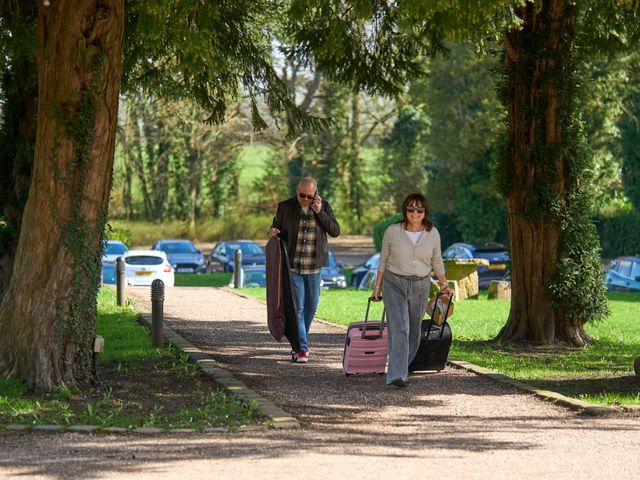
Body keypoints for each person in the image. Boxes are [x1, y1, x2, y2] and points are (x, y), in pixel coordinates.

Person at [372, 193, 450, 387]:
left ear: (425, 212)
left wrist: (444, 285)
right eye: (411, 209)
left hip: (420, 284)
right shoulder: (392, 231)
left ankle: (402, 367)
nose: (415, 213)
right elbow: (383, 259)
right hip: (394, 283)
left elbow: (437, 260)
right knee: (400, 327)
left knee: (414, 331)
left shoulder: (433, 233)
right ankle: (397, 374)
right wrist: (378, 287)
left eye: (419, 209)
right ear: (405, 211)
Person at [268, 177, 340, 363]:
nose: (305, 199)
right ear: (297, 190)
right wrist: (273, 231)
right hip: (293, 266)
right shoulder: (285, 207)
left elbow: (335, 231)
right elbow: (276, 226)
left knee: (311, 308)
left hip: (314, 267)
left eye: (309, 196)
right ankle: (302, 348)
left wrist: (319, 213)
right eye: (302, 195)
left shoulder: (324, 206)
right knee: (297, 308)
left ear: (315, 193)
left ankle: (299, 342)